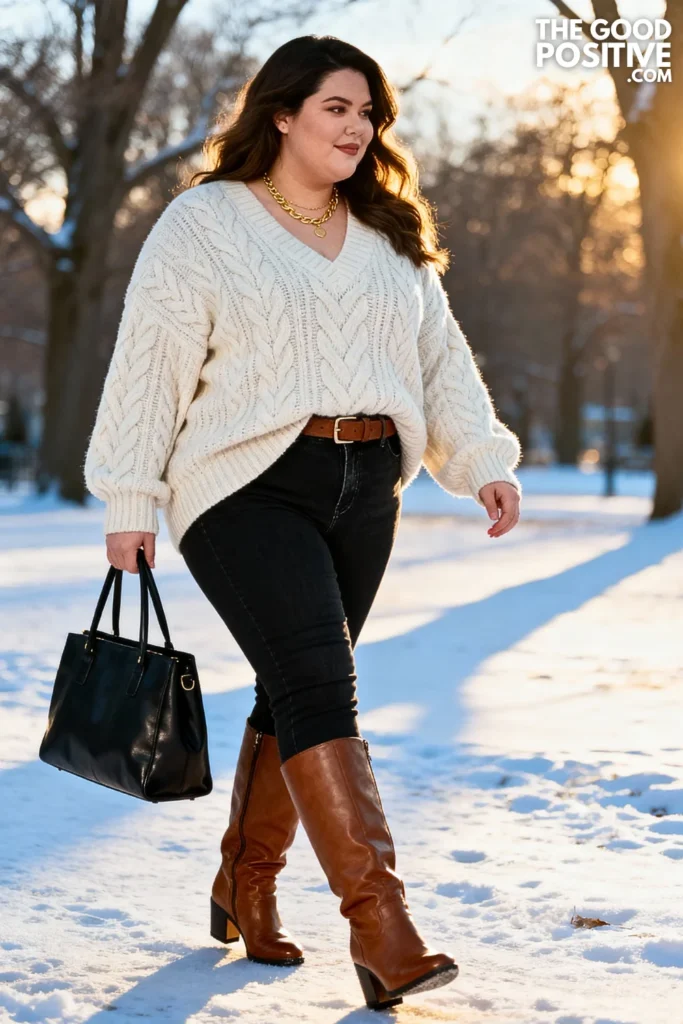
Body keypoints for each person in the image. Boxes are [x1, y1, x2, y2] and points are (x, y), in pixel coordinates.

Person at [84, 34, 522, 1010]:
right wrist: (129, 496)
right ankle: (381, 924)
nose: (358, 128)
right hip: (243, 483)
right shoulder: (205, 223)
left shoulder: (388, 234)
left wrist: (480, 461)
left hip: (368, 484)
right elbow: (151, 363)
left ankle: (244, 884)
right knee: (323, 681)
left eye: (368, 113)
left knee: (296, 689)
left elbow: (439, 359)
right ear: (281, 113)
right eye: (336, 107)